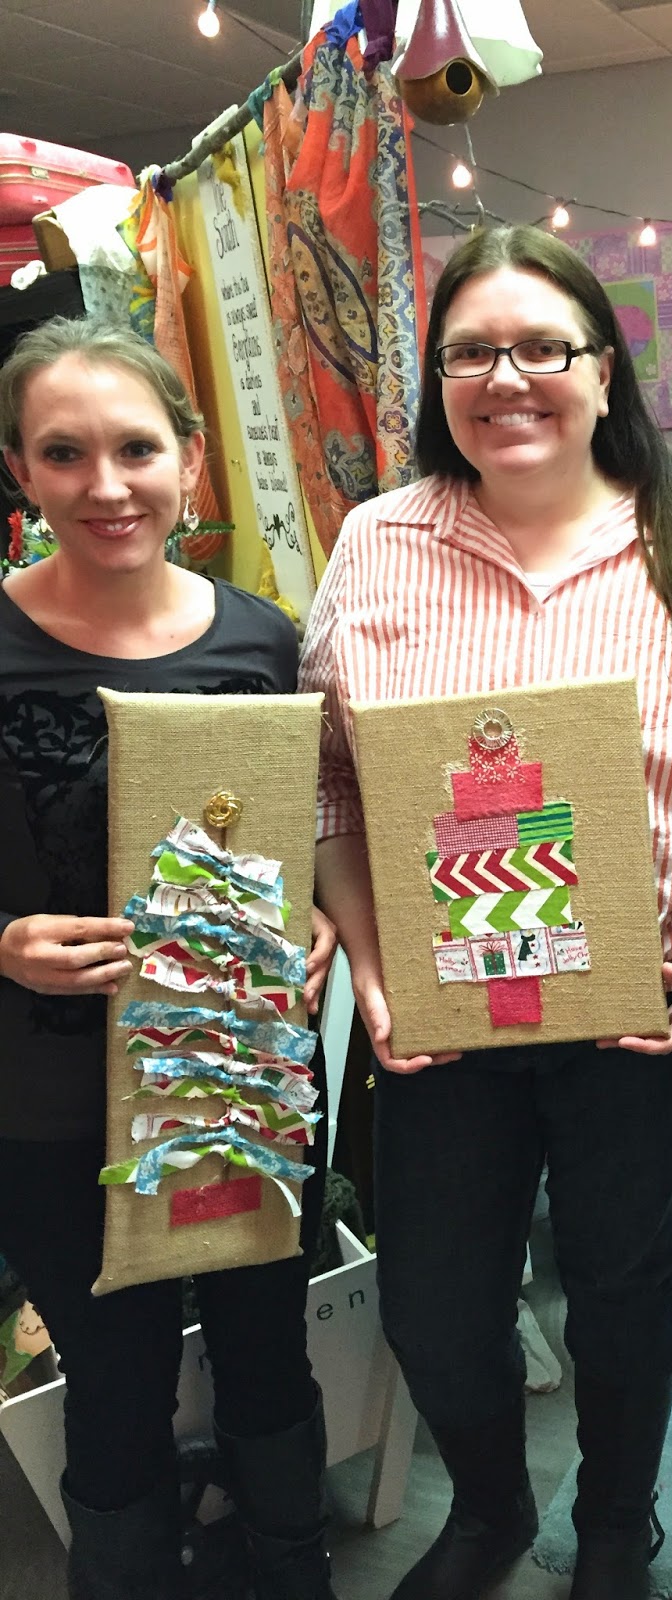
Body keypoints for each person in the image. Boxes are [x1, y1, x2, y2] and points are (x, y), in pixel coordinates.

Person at [298, 223, 672, 1600]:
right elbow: (331, 784)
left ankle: (613, 1527)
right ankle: (488, 1508)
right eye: (472, 351)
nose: (507, 377)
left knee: (621, 1285)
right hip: (443, 1010)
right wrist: (371, 969)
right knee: (433, 1301)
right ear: (438, 379)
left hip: (651, 1009)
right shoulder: (377, 546)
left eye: (544, 346)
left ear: (603, 370)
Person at [0, 316, 339, 1600]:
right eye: (63, 452)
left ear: (191, 459)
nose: (107, 485)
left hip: (243, 1082)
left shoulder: (263, 640)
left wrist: (318, 916)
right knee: (116, 1368)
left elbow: (292, 836)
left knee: (266, 1342)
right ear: (20, 472)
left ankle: (291, 1563)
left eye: (137, 448)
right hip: (51, 1103)